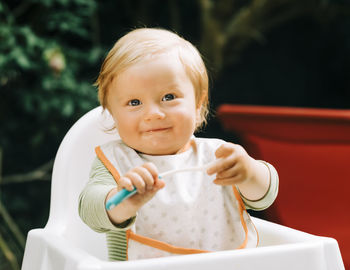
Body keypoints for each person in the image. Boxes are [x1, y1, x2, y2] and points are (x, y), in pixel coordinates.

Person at [79, 28, 279, 261]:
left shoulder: (217, 156)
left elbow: (265, 196)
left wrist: (250, 173)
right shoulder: (115, 161)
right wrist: (121, 201)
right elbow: (89, 209)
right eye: (134, 102)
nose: (153, 114)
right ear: (112, 113)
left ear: (198, 104)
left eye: (169, 97)